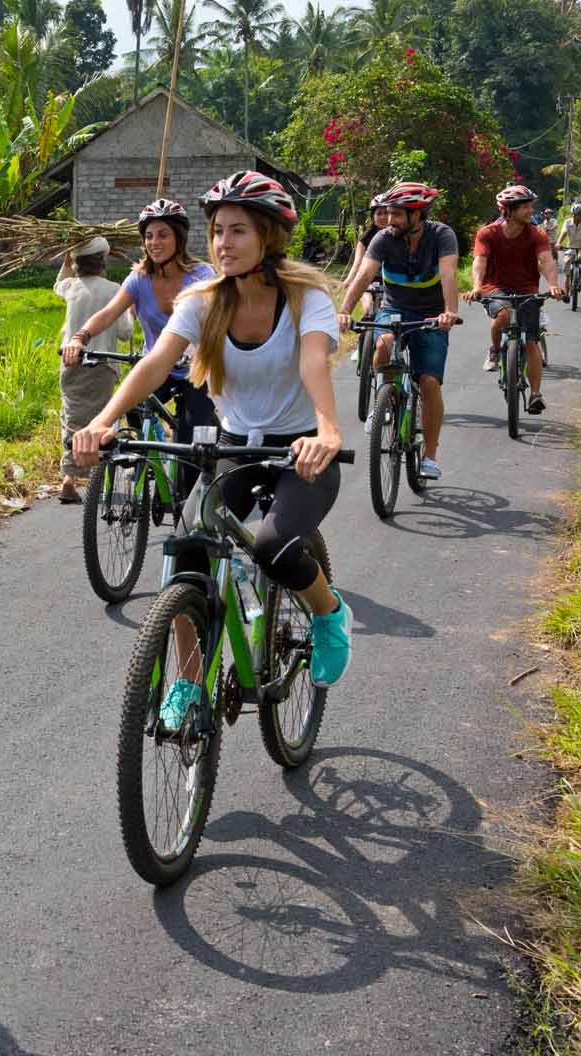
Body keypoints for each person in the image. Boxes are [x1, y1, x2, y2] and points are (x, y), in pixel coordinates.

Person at [73, 171, 353, 730]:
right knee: (187, 551)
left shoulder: (306, 298)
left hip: (300, 452)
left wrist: (326, 431)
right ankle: (188, 682)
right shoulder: (203, 301)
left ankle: (328, 614)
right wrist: (101, 421)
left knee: (273, 546)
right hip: (233, 448)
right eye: (218, 231)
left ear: (269, 236)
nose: (224, 242)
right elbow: (156, 363)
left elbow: (313, 361)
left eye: (239, 231)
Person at [61, 199, 217, 506]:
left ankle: (188, 500)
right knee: (131, 408)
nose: (154, 243)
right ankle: (148, 460)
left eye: (163, 235)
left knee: (190, 437)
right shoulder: (139, 278)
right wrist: (80, 337)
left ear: (179, 239)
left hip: (195, 370)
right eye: (149, 236)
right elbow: (107, 313)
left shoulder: (201, 276)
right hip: (155, 367)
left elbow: (217, 319)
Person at [336, 180, 460, 480]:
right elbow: (364, 274)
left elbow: (448, 273)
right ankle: (385, 399)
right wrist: (343, 310)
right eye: (388, 213)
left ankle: (429, 457)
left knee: (429, 381)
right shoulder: (383, 238)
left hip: (431, 314)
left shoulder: (442, 235)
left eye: (397, 214)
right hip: (394, 308)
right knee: (382, 344)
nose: (389, 220)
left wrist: (449, 312)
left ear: (417, 215)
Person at [465, 184, 565, 415]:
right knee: (503, 314)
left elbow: (546, 261)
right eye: (524, 207)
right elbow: (479, 261)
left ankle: (535, 394)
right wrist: (477, 286)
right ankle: (494, 349)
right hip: (495, 287)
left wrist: (552, 285)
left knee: (531, 340)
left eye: (530, 206)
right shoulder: (487, 233)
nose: (530, 211)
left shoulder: (536, 234)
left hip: (527, 289)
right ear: (507, 210)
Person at [53, 236, 133, 502]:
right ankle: (97, 481)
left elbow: (57, 285)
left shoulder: (71, 287)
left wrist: (66, 258)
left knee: (72, 417)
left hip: (70, 361)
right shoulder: (114, 290)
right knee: (100, 419)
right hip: (101, 363)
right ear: (102, 263)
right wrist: (130, 310)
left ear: (77, 265)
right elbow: (124, 332)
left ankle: (68, 479)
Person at [341, 194, 392, 305]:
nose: (383, 217)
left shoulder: (399, 235)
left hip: (391, 281)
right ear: (373, 217)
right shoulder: (365, 238)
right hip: (368, 280)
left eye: (386, 213)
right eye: (379, 214)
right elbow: (357, 264)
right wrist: (348, 281)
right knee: (368, 307)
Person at [556, 202, 581, 287]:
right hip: (570, 248)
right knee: (567, 267)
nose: (577, 217)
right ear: (572, 214)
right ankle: (566, 293)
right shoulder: (567, 222)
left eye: (579, 215)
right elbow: (563, 233)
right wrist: (558, 243)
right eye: (575, 215)